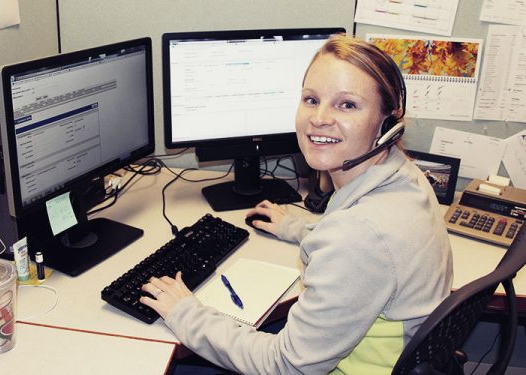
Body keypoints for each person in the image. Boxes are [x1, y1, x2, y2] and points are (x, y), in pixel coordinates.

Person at [140, 35, 453, 374]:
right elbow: (368, 246)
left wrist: (185, 311)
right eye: (311, 99)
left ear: (388, 122)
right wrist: (296, 227)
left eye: (347, 104)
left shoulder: (357, 236)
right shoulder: (405, 177)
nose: (319, 118)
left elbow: (286, 365)